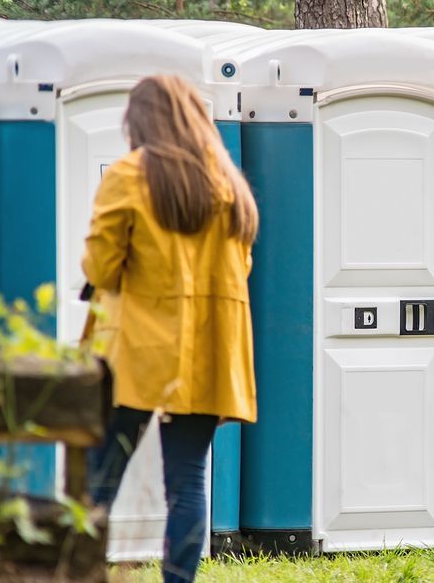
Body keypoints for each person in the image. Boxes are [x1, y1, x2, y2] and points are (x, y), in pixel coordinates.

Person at [82, 75, 258, 582]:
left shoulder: (129, 174)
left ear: (140, 121)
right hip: (210, 348)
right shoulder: (228, 183)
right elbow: (240, 268)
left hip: (138, 348)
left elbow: (101, 268)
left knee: (100, 478)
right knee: (187, 480)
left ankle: (79, 572)